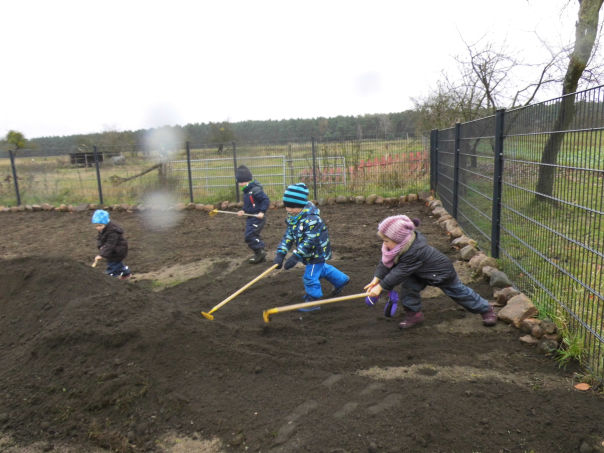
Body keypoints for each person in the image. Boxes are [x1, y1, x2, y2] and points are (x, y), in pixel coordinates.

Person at [364, 214, 497, 329]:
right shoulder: (395, 247)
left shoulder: (415, 251)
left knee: (458, 292)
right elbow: (385, 262)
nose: (384, 244)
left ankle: (485, 309)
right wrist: (376, 278)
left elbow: (399, 272)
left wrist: (381, 287)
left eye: (386, 241)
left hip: (440, 272)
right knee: (409, 289)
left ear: (400, 240)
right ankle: (414, 315)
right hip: (418, 273)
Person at [273, 183, 350, 311]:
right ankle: (341, 280)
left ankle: (313, 302)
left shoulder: (313, 220)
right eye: (287, 206)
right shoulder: (293, 218)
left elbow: (310, 241)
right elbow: (288, 236)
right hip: (308, 253)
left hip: (316, 252)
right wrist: (280, 254)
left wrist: (296, 256)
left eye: (292, 206)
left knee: (310, 276)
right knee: (323, 270)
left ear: (301, 205)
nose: (289, 209)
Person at [235, 165, 270, 264]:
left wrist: (262, 212)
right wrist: (243, 211)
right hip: (250, 217)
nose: (240, 184)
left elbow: (265, 200)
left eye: (241, 182)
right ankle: (260, 253)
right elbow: (249, 205)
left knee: (249, 236)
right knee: (250, 235)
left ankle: (260, 252)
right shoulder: (246, 192)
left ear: (246, 180)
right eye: (239, 182)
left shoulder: (255, 190)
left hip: (257, 218)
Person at [91, 209, 132, 279]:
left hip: (118, 251)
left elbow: (110, 244)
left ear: (106, 223)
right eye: (96, 226)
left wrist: (102, 254)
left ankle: (111, 277)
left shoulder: (113, 231)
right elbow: (100, 239)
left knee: (112, 265)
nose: (98, 228)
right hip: (112, 250)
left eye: (100, 225)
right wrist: (100, 246)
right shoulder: (102, 229)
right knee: (117, 264)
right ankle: (126, 273)